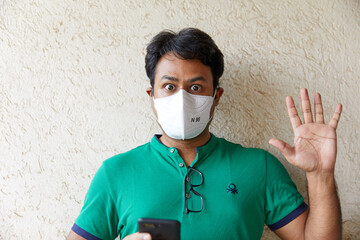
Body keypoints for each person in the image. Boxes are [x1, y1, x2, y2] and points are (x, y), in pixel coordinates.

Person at [67, 28, 342, 240]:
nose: (182, 98)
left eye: (196, 87)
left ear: (216, 96)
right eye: (169, 87)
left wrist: (320, 175)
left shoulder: (260, 166)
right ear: (152, 96)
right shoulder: (116, 173)